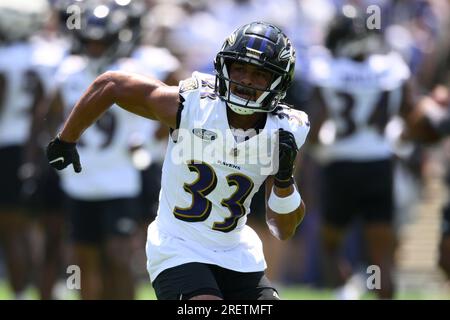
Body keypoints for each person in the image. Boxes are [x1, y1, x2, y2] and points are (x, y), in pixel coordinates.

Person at [46, 21, 310, 300]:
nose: (245, 80)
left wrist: (284, 179)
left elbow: (283, 228)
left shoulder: (286, 129)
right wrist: (67, 137)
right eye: (240, 68)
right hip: (179, 247)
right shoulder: (193, 106)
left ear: (278, 81)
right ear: (224, 66)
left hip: (237, 253)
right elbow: (112, 84)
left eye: (259, 74)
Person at [305, 5, 414, 299]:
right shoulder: (391, 67)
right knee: (382, 254)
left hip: (340, 164)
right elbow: (412, 115)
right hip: (380, 164)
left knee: (329, 244)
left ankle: (344, 291)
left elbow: (315, 129)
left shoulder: (327, 70)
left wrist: (311, 153)